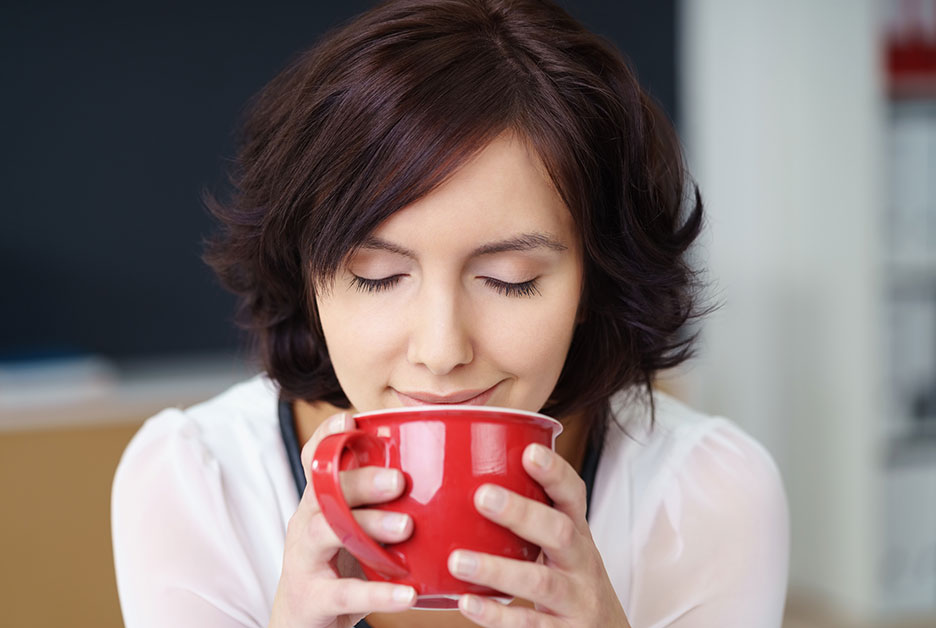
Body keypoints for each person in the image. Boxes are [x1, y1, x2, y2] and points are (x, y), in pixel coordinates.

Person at [111, 1, 790, 627]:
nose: (441, 350)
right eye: (378, 277)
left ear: (594, 282)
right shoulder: (199, 484)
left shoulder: (707, 496)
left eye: (509, 280)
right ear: (307, 278)